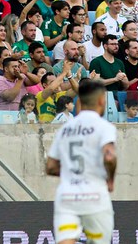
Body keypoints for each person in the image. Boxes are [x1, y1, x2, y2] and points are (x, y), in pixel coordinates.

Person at [46, 78, 117, 244]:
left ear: (80, 101)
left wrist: (69, 172)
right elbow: (109, 157)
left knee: (66, 240)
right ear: (101, 100)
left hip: (67, 196)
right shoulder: (104, 126)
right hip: (95, 195)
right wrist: (111, 180)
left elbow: (50, 167)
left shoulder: (65, 128)